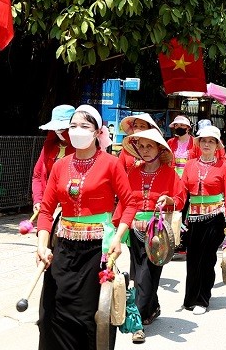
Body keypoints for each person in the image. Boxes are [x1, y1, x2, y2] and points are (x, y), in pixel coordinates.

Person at [36, 105, 138, 350]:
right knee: (52, 313)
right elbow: (47, 210)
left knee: (88, 318)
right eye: (73, 126)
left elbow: (130, 202)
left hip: (97, 251)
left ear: (97, 132)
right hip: (63, 249)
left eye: (84, 126)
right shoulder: (61, 165)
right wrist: (41, 245)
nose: (77, 131)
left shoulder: (111, 164)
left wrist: (119, 238)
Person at [117, 130, 185, 343]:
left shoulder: (170, 173)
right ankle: (151, 308)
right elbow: (124, 200)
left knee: (146, 275)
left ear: (159, 149)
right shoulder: (133, 172)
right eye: (142, 147)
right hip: (134, 231)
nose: (145, 151)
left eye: (150, 146)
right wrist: (118, 226)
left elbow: (180, 199)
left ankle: (136, 324)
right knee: (139, 274)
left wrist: (169, 200)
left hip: (158, 234)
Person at [180, 126, 226, 314]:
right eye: (203, 140)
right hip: (193, 218)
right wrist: (173, 207)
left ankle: (203, 299)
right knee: (192, 259)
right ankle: (190, 298)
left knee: (207, 259)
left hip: (214, 218)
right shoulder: (190, 165)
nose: (206, 144)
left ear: (217, 146)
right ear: (198, 143)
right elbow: (182, 193)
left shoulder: (223, 167)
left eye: (211, 141)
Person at [32, 105, 76, 212]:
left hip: (72, 209)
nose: (60, 132)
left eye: (64, 129)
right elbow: (37, 176)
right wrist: (38, 200)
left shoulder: (82, 151)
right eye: (57, 129)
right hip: (49, 205)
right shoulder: (48, 148)